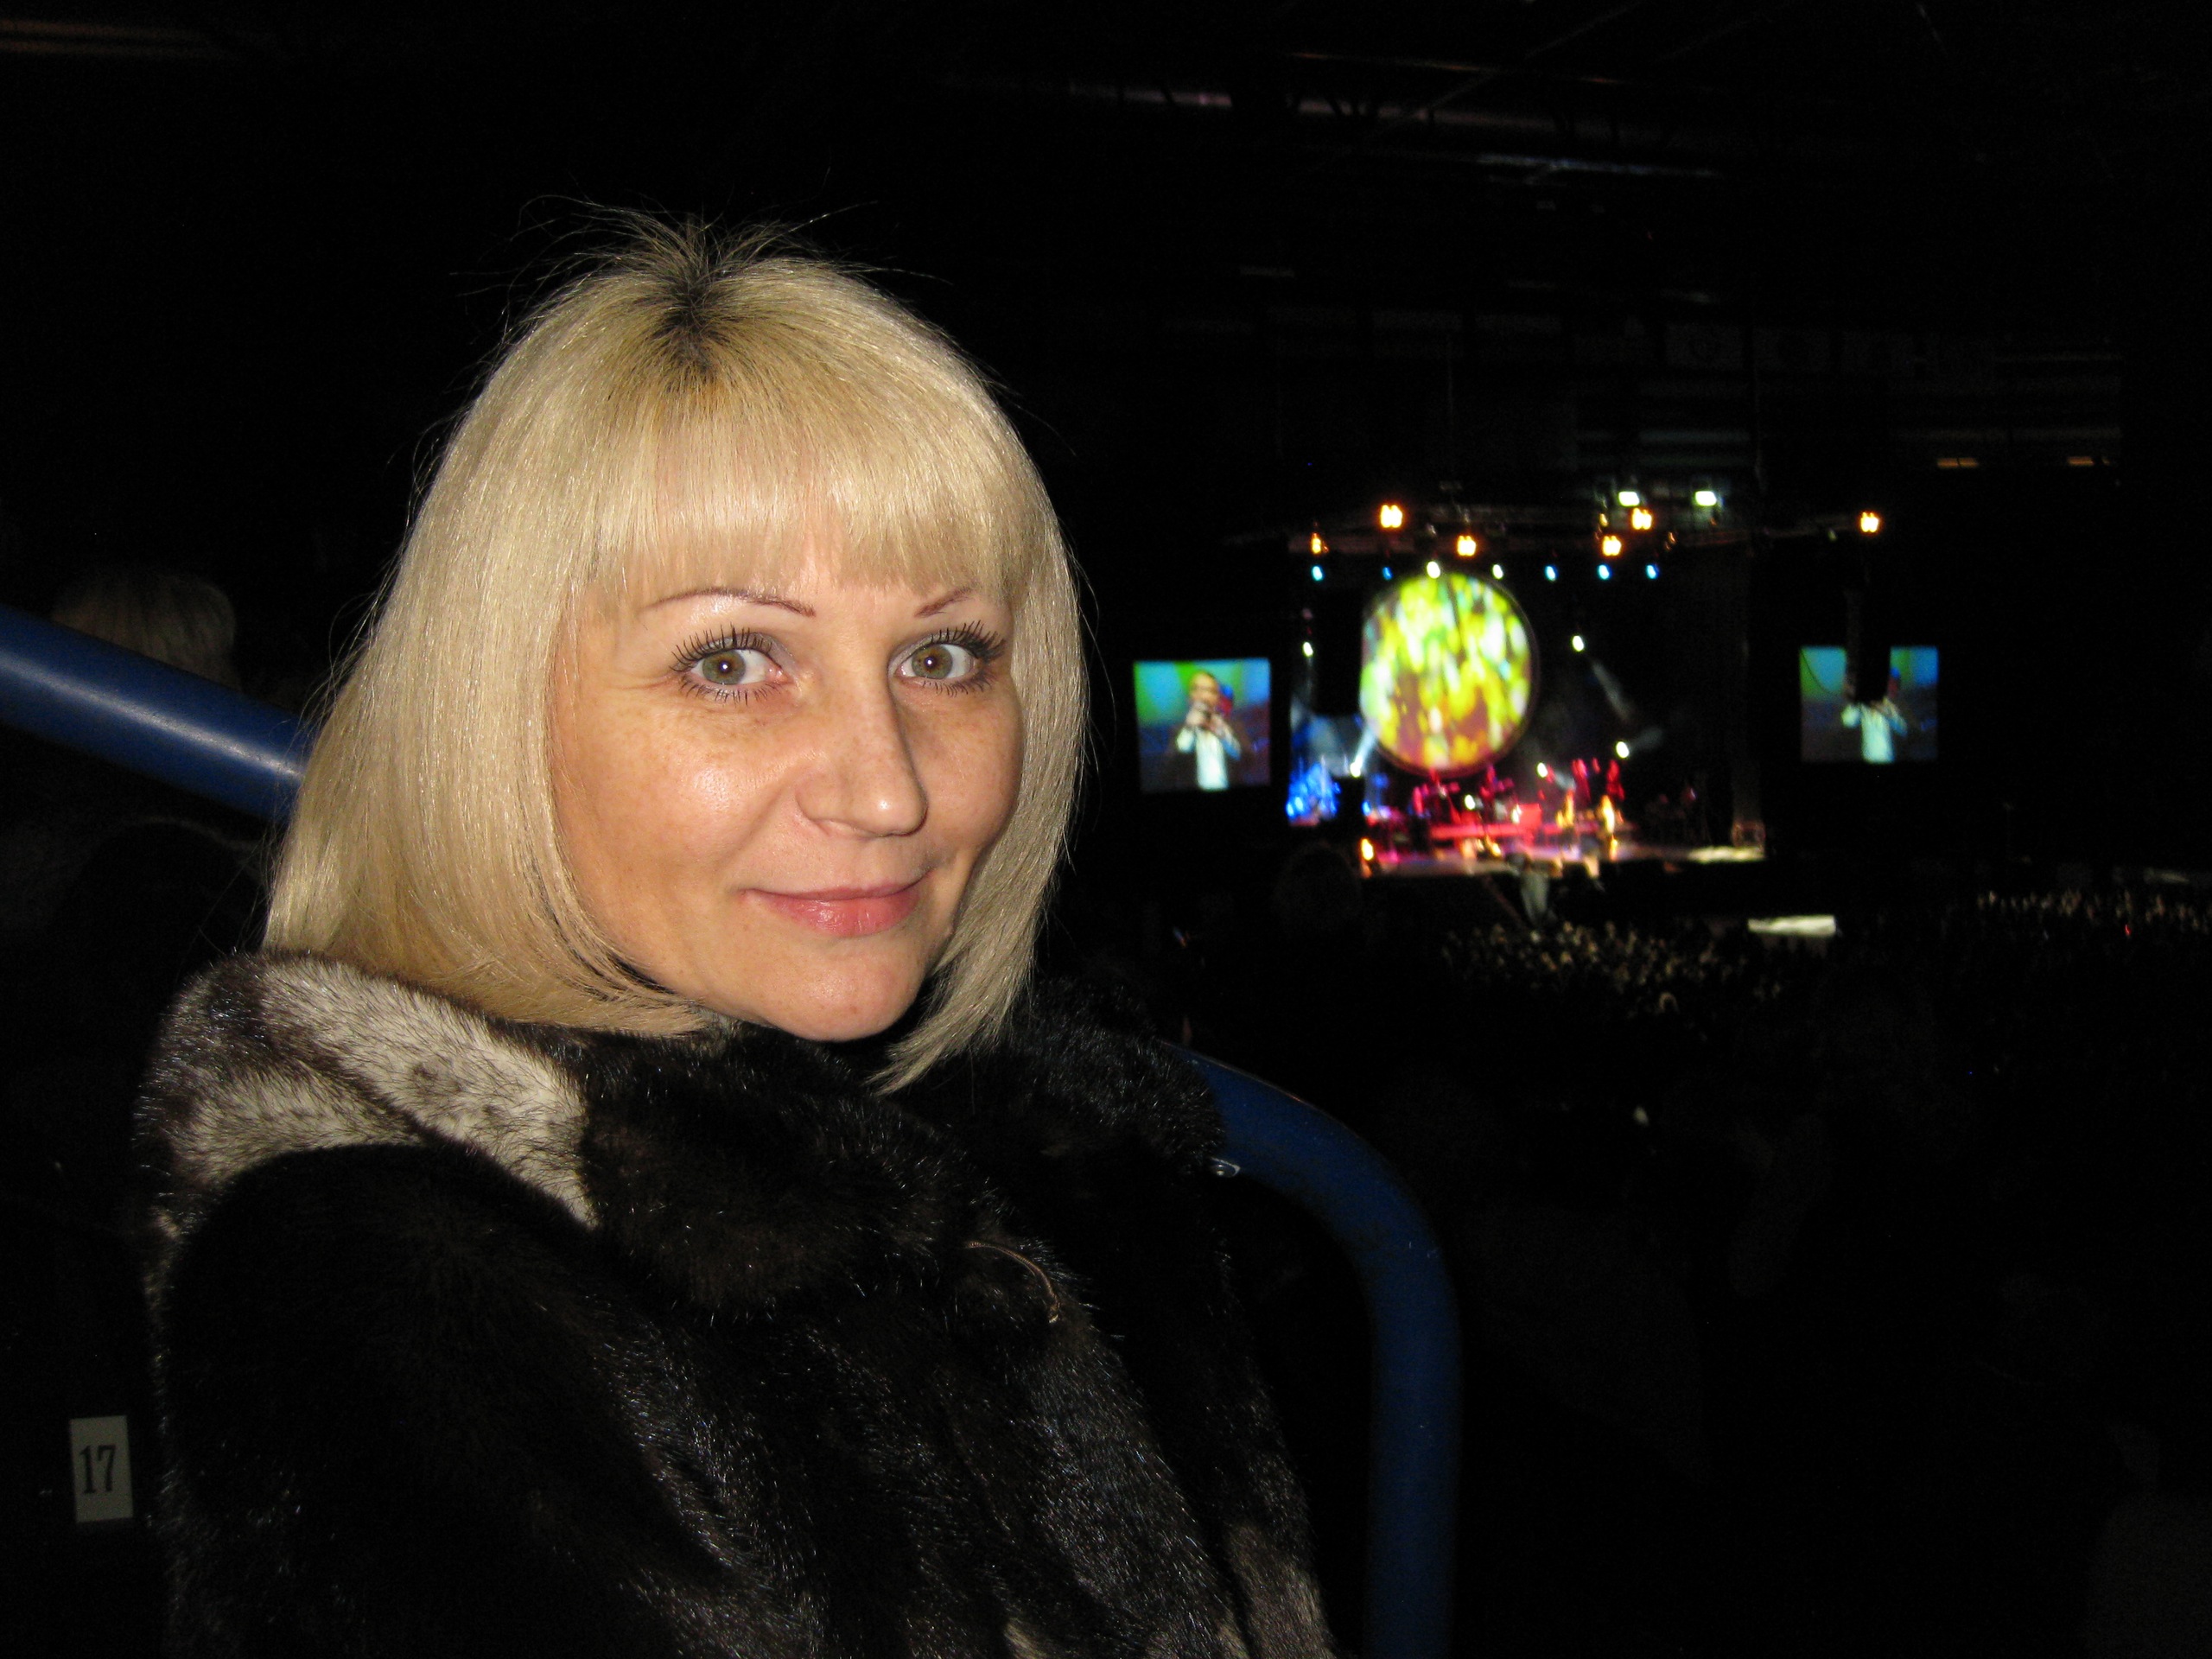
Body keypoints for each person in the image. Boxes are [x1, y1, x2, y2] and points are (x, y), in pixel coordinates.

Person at [133, 224, 1337, 1657]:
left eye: (941, 657)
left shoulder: (1060, 1157)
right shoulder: (387, 1290)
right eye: (731, 661)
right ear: (498, 714)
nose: (887, 791)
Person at [1174, 669, 1243, 790]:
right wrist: (1189, 729)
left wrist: (1224, 736)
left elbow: (1245, 759)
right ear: (1189, 698)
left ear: (1218, 698)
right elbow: (1171, 769)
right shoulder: (1176, 730)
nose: (1203, 696)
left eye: (1210, 690)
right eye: (1197, 689)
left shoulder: (1233, 726)